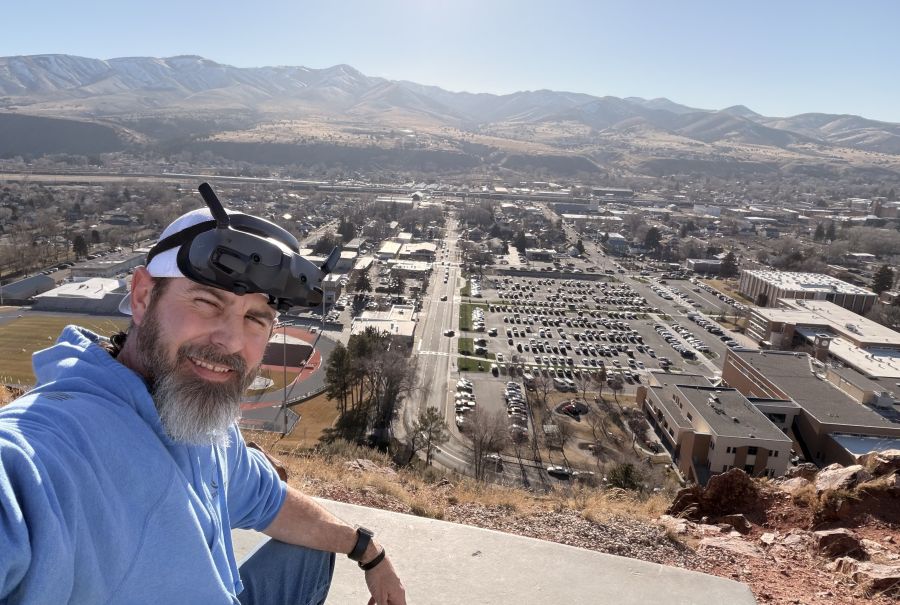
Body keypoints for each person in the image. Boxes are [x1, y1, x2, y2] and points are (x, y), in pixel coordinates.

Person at [0, 192, 406, 604]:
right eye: (207, 302)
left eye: (255, 318)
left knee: (314, 551)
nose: (231, 341)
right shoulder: (44, 455)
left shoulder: (206, 428)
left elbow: (269, 500)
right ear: (142, 297)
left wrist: (369, 551)